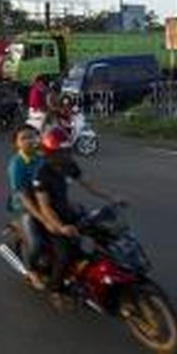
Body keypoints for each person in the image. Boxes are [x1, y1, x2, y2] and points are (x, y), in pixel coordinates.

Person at [30, 126, 119, 306]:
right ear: (50, 153)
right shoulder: (41, 174)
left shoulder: (69, 165)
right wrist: (60, 227)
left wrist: (112, 197)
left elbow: (88, 184)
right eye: (61, 151)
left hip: (68, 211)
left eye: (67, 150)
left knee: (102, 233)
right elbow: (45, 206)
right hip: (52, 220)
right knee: (65, 255)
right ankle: (55, 290)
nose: (66, 154)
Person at [6, 125, 46, 290]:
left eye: (32, 136)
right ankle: (32, 271)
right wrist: (40, 215)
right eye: (24, 138)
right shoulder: (17, 164)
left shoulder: (41, 158)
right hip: (25, 206)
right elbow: (22, 195)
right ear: (16, 144)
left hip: (44, 200)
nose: (29, 140)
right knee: (36, 243)